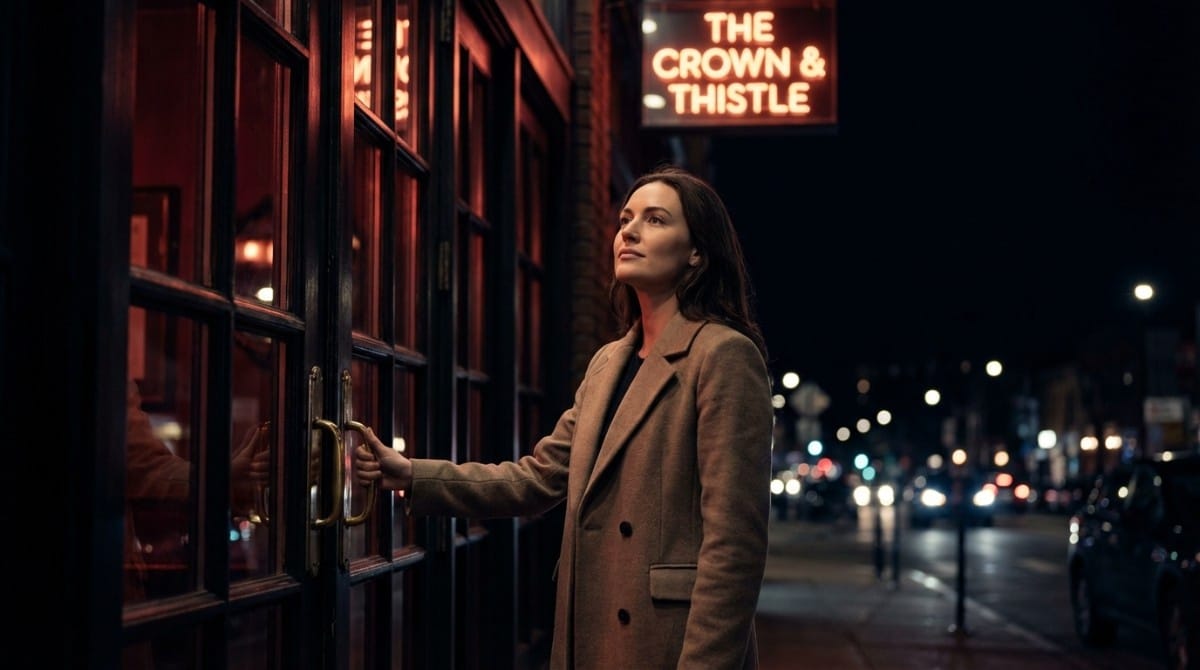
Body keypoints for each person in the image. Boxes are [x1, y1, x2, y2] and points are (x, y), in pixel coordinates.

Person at [354, 164, 774, 669]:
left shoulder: (723, 356)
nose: (630, 232)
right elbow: (536, 479)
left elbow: (735, 547)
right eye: (625, 219)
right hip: (590, 635)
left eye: (656, 220)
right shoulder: (609, 361)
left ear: (697, 252)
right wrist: (411, 474)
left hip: (666, 646)